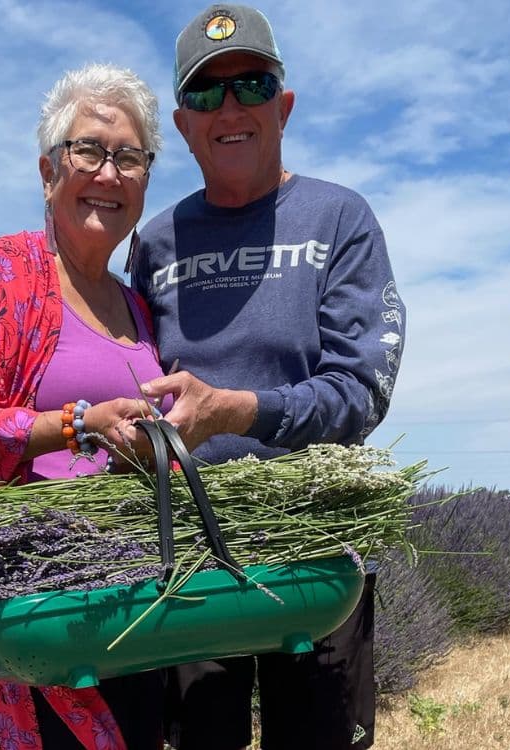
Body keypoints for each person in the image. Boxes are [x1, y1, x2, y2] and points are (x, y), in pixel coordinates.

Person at [129, 5, 406, 750]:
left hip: (316, 545)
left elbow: (362, 393)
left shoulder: (339, 218)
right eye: (204, 94)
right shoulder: (154, 244)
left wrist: (233, 411)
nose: (229, 107)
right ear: (183, 127)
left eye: (251, 84)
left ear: (282, 105)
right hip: (190, 557)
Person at [0, 63, 171, 750]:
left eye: (130, 158)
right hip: (45, 609)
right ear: (48, 170)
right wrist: (77, 424)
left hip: (139, 606)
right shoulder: (1, 273)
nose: (109, 174)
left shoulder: (138, 305)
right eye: (89, 150)